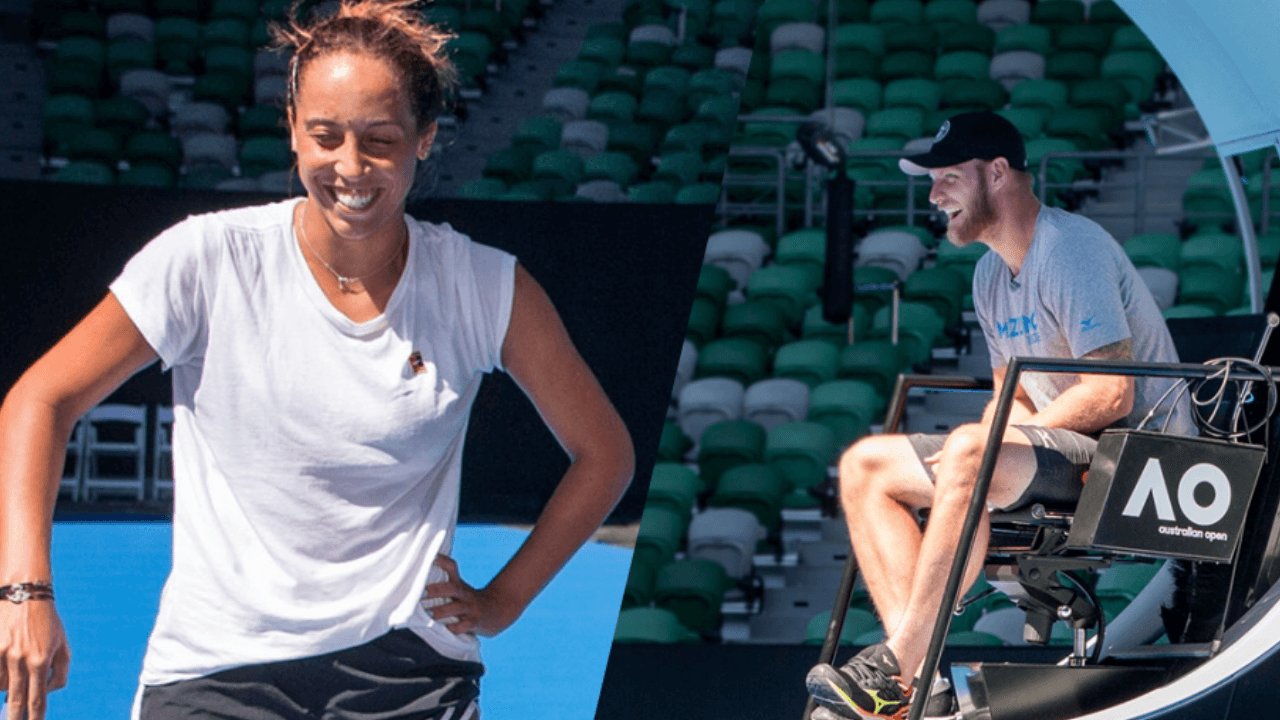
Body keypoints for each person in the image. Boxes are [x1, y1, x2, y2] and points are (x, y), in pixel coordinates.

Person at [0, 2, 635, 719]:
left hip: (412, 669)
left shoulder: (483, 285)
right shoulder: (205, 260)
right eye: (326, 137)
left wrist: (502, 602)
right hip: (216, 670)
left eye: (380, 140)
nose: (350, 167)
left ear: (425, 139)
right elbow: (39, 400)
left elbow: (604, 452)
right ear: (294, 130)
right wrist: (24, 592)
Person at [804, 112, 1193, 720]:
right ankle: (921, 684)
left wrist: (981, 444)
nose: (934, 196)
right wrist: (989, 435)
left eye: (948, 177)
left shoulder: (1070, 247)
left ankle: (896, 663)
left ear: (997, 172)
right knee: (865, 466)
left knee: (969, 448)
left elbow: (1113, 393)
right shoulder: (990, 274)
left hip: (1136, 459)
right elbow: (1012, 397)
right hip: (1066, 449)